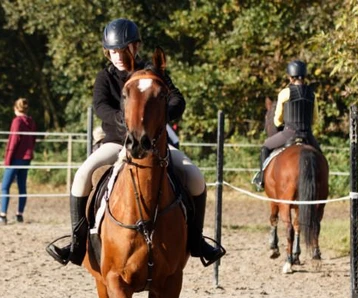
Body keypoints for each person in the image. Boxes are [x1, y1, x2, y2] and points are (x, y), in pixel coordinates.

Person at [46, 18, 225, 267]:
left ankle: (197, 241)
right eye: (112, 51)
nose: (118, 55)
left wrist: (158, 118)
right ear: (106, 51)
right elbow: (101, 106)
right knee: (83, 173)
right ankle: (77, 243)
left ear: (136, 46)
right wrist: (124, 121)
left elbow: (178, 100)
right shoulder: (104, 77)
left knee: (194, 177)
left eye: (123, 49)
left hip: (153, 143)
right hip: (117, 143)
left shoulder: (153, 73)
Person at [253, 60, 321, 189]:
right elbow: (315, 120)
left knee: (265, 147)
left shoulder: (285, 93)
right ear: (304, 76)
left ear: (290, 77)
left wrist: (282, 124)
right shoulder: (312, 94)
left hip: (289, 133)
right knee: (321, 157)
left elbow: (277, 120)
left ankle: (261, 179)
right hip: (307, 135)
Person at [0, 98, 37, 225]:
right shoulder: (31, 122)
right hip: (26, 158)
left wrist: (7, 160)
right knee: (22, 186)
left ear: (16, 108)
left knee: (5, 187)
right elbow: (33, 140)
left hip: (15, 158)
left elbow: (13, 141)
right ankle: (19, 215)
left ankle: (2, 215)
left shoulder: (17, 121)